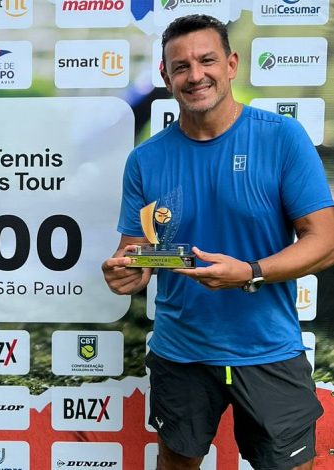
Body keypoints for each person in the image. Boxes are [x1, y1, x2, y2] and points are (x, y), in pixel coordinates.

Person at [101, 14, 334, 470]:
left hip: (269, 350)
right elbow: (136, 251)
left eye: (206, 60)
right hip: (180, 354)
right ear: (166, 77)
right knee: (177, 464)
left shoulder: (282, 138)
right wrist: (127, 272)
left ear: (231, 64)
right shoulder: (146, 159)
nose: (195, 75)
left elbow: (325, 241)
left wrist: (250, 273)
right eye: (181, 66)